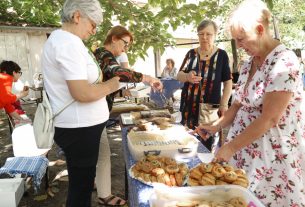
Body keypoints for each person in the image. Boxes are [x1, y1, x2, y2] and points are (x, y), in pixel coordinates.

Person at [195, 0, 305, 206]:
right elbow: (238, 105)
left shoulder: (285, 61)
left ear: (260, 29)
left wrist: (230, 147)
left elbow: (270, 118)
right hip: (244, 151)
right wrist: (215, 127)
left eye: (241, 39)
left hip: (273, 156)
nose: (238, 45)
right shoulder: (248, 64)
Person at [41, 0, 120, 206]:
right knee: (80, 189)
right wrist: (112, 85)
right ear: (77, 17)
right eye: (93, 24)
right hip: (79, 128)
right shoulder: (67, 43)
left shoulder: (67, 41)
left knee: (82, 186)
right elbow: (82, 92)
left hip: (81, 127)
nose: (94, 31)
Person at [93, 25, 162, 206]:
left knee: (98, 153)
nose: (125, 49)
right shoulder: (103, 54)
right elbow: (119, 73)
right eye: (125, 43)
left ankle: (99, 187)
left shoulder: (103, 55)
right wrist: (147, 78)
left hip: (97, 112)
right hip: (93, 114)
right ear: (114, 39)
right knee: (102, 153)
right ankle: (104, 194)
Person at [176, 20, 232, 151]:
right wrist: (187, 76)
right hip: (188, 108)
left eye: (209, 34)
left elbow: (228, 82)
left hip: (209, 110)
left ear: (215, 35)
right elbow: (179, 75)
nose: (204, 37)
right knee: (186, 143)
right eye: (201, 34)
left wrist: (224, 104)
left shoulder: (221, 55)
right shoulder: (191, 54)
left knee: (206, 144)